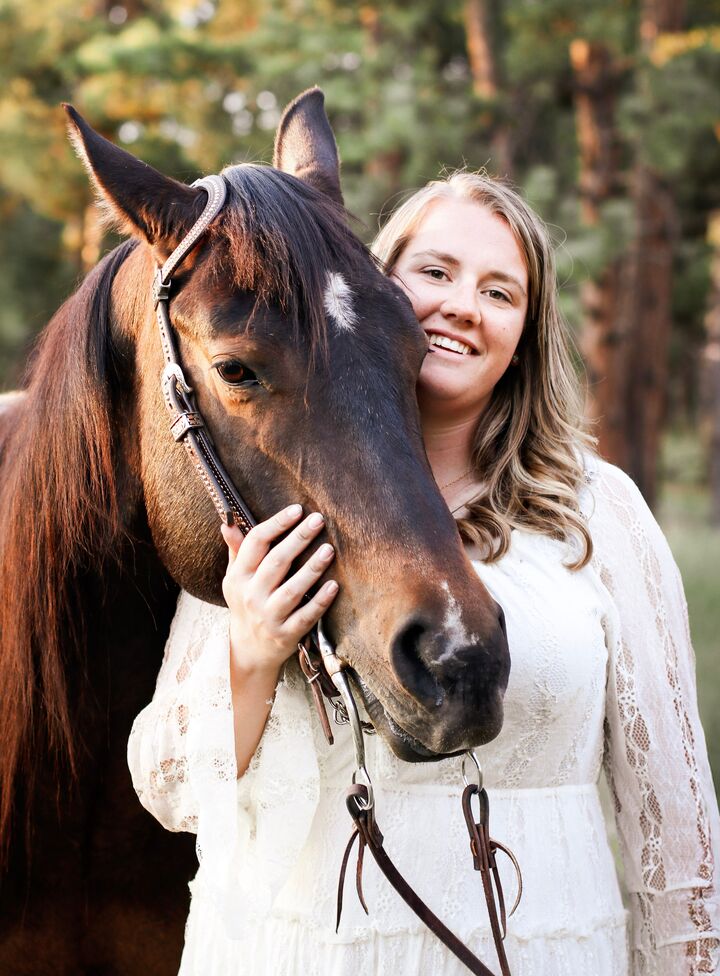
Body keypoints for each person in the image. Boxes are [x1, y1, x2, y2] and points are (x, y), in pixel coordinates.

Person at [128, 171, 720, 975]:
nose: (463, 306)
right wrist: (252, 651)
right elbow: (172, 792)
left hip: (543, 948)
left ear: (525, 334)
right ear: (375, 284)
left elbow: (677, 839)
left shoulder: (601, 513)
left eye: (500, 292)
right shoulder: (265, 471)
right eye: (435, 272)